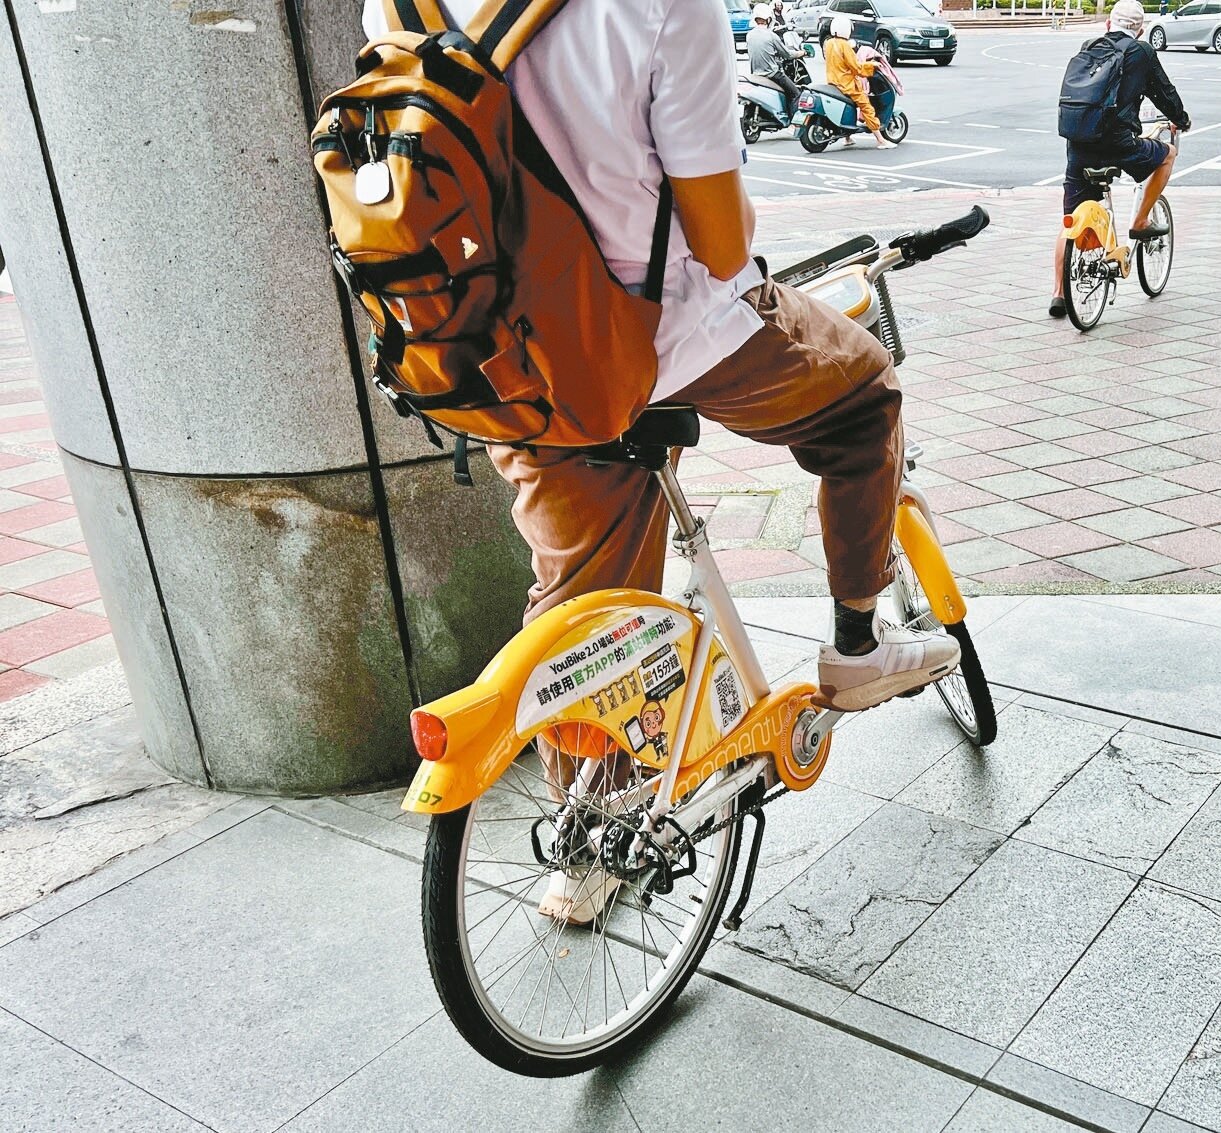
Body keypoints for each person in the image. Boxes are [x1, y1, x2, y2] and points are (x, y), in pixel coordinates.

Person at [361, 0, 956, 920]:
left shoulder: (397, 2)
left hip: (503, 360)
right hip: (669, 336)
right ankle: (856, 644)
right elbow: (720, 243)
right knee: (864, 398)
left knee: (584, 598)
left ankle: (586, 846)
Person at [1050, 0, 1191, 318]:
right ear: (1140, 30)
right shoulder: (1141, 52)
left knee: (1069, 220)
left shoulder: (1090, 47)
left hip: (1078, 143)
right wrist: (1180, 119)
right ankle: (1140, 221)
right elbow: (1163, 93)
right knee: (1167, 155)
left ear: (1108, 25)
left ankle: (1058, 293)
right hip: (1119, 143)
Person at [824, 14, 898, 149]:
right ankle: (881, 140)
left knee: (850, 107)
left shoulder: (829, 43)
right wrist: (872, 65)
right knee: (867, 107)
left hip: (833, 82)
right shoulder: (844, 45)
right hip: (847, 84)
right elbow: (856, 67)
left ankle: (847, 137)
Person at [748, 2, 805, 122]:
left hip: (755, 75)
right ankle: (794, 123)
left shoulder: (749, 35)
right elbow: (788, 55)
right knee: (795, 93)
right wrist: (802, 53)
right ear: (768, 19)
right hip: (772, 74)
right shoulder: (771, 36)